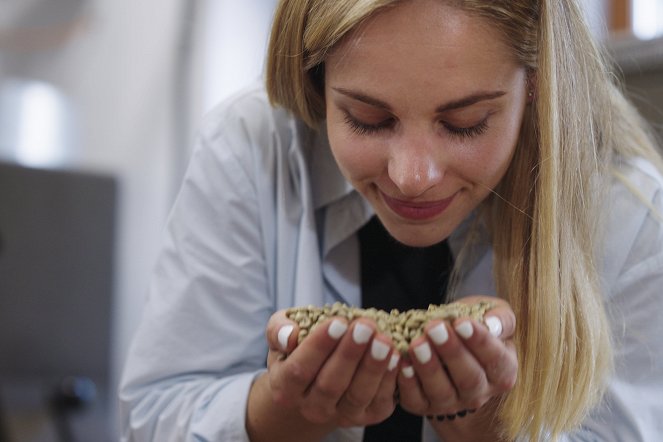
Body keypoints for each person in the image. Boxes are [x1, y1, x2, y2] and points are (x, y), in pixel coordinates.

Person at [119, 0, 663, 440]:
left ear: (537, 87)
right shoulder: (252, 149)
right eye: (368, 119)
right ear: (315, 81)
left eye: (465, 123)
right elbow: (153, 416)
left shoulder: (627, 210)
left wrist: (491, 430)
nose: (412, 176)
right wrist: (284, 411)